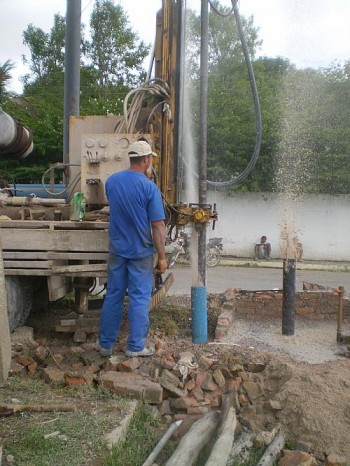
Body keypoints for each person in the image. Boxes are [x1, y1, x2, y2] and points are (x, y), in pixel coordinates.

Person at [98, 140, 167, 358]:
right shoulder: (149, 188)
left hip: (117, 250)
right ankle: (135, 347)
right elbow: (158, 226)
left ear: (131, 158)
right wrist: (162, 257)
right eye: (150, 159)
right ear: (146, 160)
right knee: (139, 299)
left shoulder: (112, 182)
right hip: (140, 253)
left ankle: (105, 345)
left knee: (114, 295)